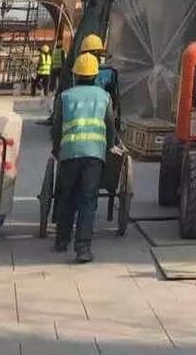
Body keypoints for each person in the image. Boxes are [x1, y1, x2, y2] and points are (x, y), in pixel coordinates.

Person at [50, 51, 117, 263]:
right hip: (94, 157)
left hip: (69, 154)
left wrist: (56, 149)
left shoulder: (65, 97)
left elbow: (57, 127)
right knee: (88, 200)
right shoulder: (104, 97)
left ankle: (61, 240)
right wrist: (110, 148)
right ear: (96, 75)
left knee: (66, 196)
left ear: (75, 74)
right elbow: (110, 126)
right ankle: (83, 248)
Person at [80, 33, 121, 127]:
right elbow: (114, 98)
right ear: (99, 53)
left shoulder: (79, 68)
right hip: (101, 116)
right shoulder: (109, 72)